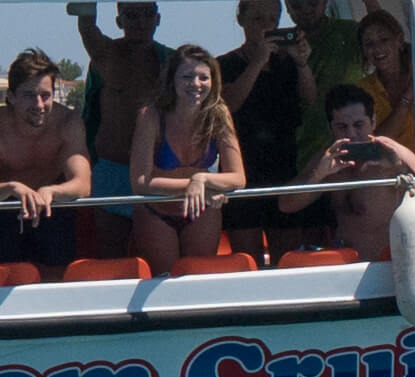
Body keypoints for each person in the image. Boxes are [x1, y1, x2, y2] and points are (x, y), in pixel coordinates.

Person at [278, 83, 415, 259]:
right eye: (342, 127)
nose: (351, 133)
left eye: (359, 124)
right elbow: (286, 205)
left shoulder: (393, 153)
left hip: (387, 267)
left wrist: (400, 169)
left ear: (373, 121)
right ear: (331, 128)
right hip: (346, 267)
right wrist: (318, 175)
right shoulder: (329, 158)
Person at [129, 45, 246, 275]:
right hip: (156, 213)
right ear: (172, 79)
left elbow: (239, 178)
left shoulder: (218, 113)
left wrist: (201, 179)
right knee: (162, 284)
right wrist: (192, 186)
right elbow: (140, 182)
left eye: (204, 77)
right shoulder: (151, 115)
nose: (196, 84)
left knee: (198, 280)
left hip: (201, 212)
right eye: (187, 76)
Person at [219, 0, 316, 264]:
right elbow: (228, 106)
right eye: (258, 19)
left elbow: (309, 101)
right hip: (242, 171)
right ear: (241, 20)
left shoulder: (287, 63)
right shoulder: (223, 64)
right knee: (246, 261)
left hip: (284, 167)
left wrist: (302, 63)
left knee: (287, 260)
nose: (266, 26)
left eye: (272, 20)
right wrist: (257, 63)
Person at [74, 1, 171, 255]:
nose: (140, 21)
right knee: (109, 252)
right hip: (111, 169)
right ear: (119, 21)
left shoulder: (172, 63)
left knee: (152, 255)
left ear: (158, 18)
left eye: (147, 14)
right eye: (131, 15)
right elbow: (87, 26)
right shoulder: (106, 54)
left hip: (156, 172)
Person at [0, 49, 91, 275]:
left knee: (57, 266)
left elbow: (83, 184)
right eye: (29, 95)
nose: (39, 105)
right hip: (4, 207)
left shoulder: (68, 122)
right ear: (10, 97)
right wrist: (11, 188)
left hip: (51, 206)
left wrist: (51, 191)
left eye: (45, 95)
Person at [284, 0, 379, 171]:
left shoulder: (350, 32)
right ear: (287, 7)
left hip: (355, 142)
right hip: (306, 149)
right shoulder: (281, 48)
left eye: (312, 4)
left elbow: (380, 34)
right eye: (297, 5)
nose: (305, 10)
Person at [356, 9, 415, 169]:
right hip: (390, 172)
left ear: (399, 41)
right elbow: (377, 142)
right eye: (369, 44)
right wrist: (407, 97)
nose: (377, 48)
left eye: (384, 40)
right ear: (364, 51)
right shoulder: (362, 90)